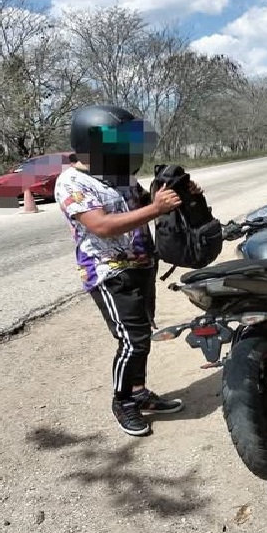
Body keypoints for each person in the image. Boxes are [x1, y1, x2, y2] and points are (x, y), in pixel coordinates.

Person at [53, 104, 202, 437]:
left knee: (141, 339)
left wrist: (176, 195)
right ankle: (123, 401)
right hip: (109, 273)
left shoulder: (119, 173)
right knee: (132, 341)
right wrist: (155, 208)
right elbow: (102, 226)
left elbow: (139, 202)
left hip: (142, 266)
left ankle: (139, 392)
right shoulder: (71, 182)